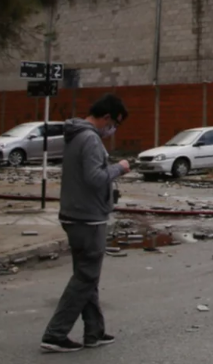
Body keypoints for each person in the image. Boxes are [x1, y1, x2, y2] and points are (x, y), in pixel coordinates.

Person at [41, 94, 131, 353]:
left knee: (87, 275)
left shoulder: (76, 134)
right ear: (106, 118)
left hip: (76, 213)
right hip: (87, 218)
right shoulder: (90, 138)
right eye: (114, 124)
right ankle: (55, 334)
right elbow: (95, 177)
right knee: (86, 276)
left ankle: (94, 331)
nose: (113, 130)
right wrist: (120, 168)